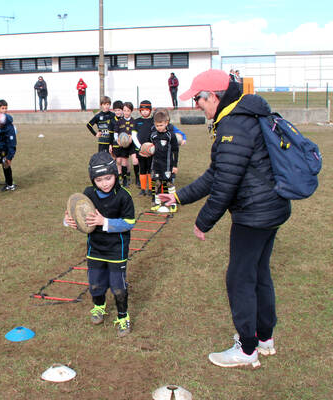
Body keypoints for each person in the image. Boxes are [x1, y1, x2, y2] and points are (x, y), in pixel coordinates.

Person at [159, 69, 291, 368]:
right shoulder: (241, 118)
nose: (196, 106)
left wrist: (203, 221)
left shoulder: (234, 126)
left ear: (214, 97)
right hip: (271, 209)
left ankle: (247, 351)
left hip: (254, 214)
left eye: (198, 99)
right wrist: (180, 196)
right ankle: (265, 339)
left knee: (240, 279)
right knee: (258, 274)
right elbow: (217, 173)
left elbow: (225, 184)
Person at [64, 151, 135, 337]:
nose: (105, 183)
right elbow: (79, 216)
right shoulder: (88, 194)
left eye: (108, 178)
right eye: (99, 180)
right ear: (92, 180)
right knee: (95, 284)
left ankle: (122, 317)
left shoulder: (124, 196)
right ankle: (99, 307)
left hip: (116, 250)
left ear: (115, 174)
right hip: (95, 248)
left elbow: (129, 223)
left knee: (118, 287)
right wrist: (70, 221)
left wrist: (104, 222)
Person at [147, 108, 179, 212]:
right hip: (156, 165)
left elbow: (175, 151)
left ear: (166, 123)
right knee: (156, 183)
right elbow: (149, 147)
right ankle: (157, 202)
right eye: (157, 125)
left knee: (169, 184)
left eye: (161, 125)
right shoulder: (153, 135)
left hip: (167, 165)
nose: (159, 128)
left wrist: (175, 165)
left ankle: (173, 202)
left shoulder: (170, 135)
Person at [0, 99, 17, 192]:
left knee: (5, 163)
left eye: (6, 108)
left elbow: (12, 141)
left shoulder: (8, 123)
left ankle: (10, 184)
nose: (4, 110)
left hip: (4, 147)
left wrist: (10, 155)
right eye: (2, 108)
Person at [111, 101, 136, 187]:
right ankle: (123, 179)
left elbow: (134, 133)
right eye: (124, 110)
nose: (126, 112)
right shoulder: (119, 121)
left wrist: (130, 139)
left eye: (128, 111)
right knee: (120, 161)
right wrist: (118, 140)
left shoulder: (134, 121)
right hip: (121, 145)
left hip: (130, 144)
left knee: (126, 162)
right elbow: (115, 133)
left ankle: (128, 178)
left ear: (131, 111)